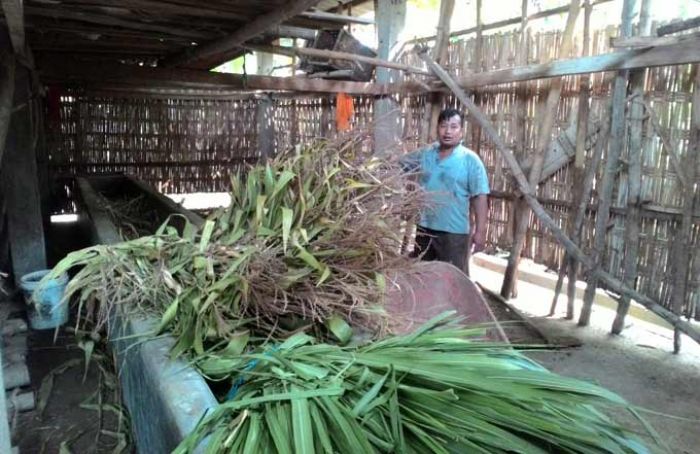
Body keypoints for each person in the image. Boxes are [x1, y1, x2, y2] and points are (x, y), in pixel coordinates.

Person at [401, 108, 490, 275]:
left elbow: (480, 197)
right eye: (443, 126)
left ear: (462, 131)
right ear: (437, 129)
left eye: (454, 127)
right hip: (424, 228)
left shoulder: (470, 160)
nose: (448, 131)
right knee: (423, 277)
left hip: (453, 234)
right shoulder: (426, 154)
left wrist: (480, 232)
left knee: (453, 280)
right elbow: (399, 164)